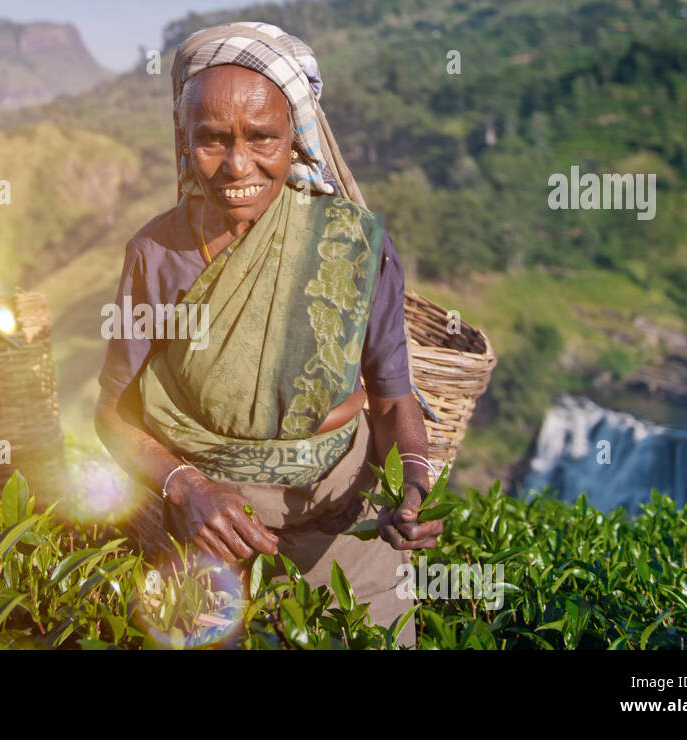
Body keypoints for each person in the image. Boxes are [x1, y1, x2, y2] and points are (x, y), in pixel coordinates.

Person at [94, 23, 445, 646]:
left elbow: (393, 397)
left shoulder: (352, 245)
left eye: (262, 138)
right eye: (211, 140)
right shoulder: (156, 253)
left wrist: (416, 480)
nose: (237, 165)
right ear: (184, 140)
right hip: (210, 539)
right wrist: (188, 488)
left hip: (346, 539)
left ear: (295, 140)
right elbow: (113, 417)